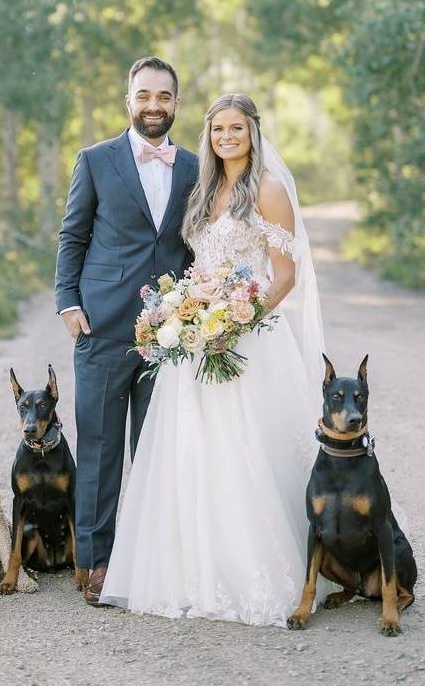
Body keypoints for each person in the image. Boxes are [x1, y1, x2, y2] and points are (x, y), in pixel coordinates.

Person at [100, 93, 329, 626]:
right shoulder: (205, 190)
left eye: (237, 128)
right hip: (196, 341)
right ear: (209, 136)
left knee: (244, 449)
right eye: (218, 129)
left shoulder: (268, 190)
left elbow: (285, 274)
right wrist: (181, 313)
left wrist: (235, 323)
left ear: (253, 132)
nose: (227, 137)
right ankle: (190, 572)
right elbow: (199, 263)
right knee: (192, 452)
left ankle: (261, 569)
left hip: (245, 338)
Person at [55, 57, 197, 605]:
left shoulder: (193, 166)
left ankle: (156, 559)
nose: (153, 105)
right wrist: (67, 301)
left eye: (163, 96)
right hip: (104, 326)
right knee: (98, 449)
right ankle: (96, 562)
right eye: (144, 95)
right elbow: (72, 235)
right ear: (128, 100)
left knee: (162, 449)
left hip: (174, 334)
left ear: (176, 103)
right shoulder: (94, 160)